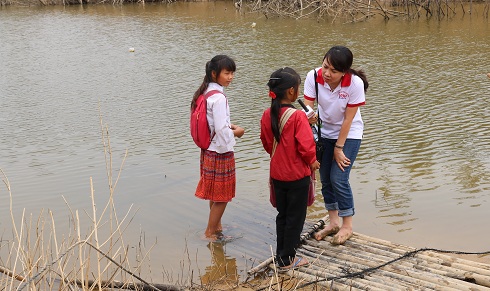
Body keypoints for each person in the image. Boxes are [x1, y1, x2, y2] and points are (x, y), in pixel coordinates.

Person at [303, 46, 368, 245]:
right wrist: (309, 117)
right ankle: (333, 222)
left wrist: (339, 149)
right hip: (324, 133)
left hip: (349, 134)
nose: (327, 74)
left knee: (339, 177)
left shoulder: (354, 84)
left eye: (334, 71)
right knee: (325, 178)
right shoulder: (313, 77)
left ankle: (347, 224)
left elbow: (348, 120)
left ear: (344, 72)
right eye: (325, 67)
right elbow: (307, 107)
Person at [260, 67, 320, 270]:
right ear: (292, 92)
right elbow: (305, 146)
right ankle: (287, 260)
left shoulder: (267, 114)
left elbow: (267, 143)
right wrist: (313, 160)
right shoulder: (297, 116)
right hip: (296, 175)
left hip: (277, 174)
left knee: (283, 215)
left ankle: (281, 254)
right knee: (296, 218)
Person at [191, 55, 245, 241]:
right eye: (227, 73)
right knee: (222, 196)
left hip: (207, 149)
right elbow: (222, 130)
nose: (231, 77)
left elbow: (214, 123)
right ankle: (210, 232)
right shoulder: (219, 98)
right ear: (215, 74)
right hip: (220, 151)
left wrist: (228, 127)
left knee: (215, 193)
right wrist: (238, 132)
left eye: (232, 73)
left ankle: (217, 226)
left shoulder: (204, 92)